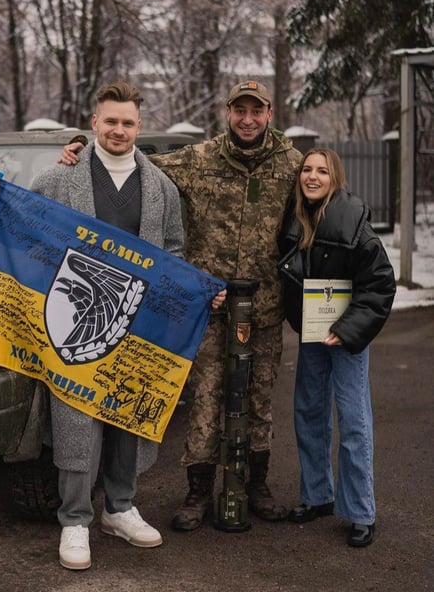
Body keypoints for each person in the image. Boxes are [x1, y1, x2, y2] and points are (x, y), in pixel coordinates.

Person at [0, 81, 226, 571]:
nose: (118, 129)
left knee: (125, 415)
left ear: (139, 126)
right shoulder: (59, 179)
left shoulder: (160, 188)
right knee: (75, 420)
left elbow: (173, 254)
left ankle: (119, 508)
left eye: (128, 122)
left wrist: (199, 291)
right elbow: (23, 230)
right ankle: (74, 519)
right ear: (93, 123)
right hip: (72, 323)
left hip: (135, 325)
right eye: (110, 121)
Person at [60, 80, 302, 531]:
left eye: (257, 110)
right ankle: (197, 492)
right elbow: (130, 161)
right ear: (227, 113)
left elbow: (323, 192)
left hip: (265, 306)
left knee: (260, 401)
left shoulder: (292, 164)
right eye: (239, 110)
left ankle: (257, 486)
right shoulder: (198, 159)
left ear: (269, 114)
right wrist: (78, 144)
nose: (247, 119)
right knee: (205, 400)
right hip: (206, 306)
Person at [277, 148, 396, 548]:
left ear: (335, 178)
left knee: (353, 421)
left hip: (346, 339)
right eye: (307, 170)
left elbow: (380, 283)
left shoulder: (354, 223)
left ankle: (361, 512)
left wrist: (347, 331)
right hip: (312, 334)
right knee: (308, 413)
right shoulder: (293, 219)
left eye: (322, 171)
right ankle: (316, 496)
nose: (312, 177)